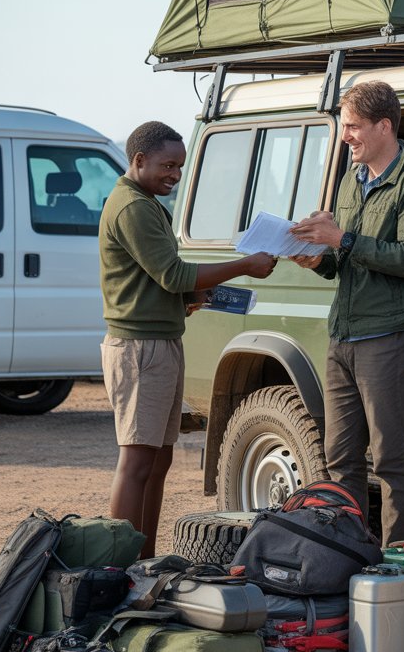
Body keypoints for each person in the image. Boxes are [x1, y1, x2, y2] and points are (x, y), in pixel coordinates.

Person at [100, 121, 276, 559]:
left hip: (159, 341)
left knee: (157, 461)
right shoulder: (133, 207)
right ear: (139, 161)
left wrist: (192, 298)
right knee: (138, 461)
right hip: (140, 349)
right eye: (167, 165)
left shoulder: (145, 202)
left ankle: (144, 561)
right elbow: (173, 273)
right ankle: (118, 568)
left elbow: (159, 280)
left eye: (180, 166)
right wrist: (243, 265)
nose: (175, 175)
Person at [290, 80, 404, 546]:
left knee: (392, 460)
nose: (345, 137)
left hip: (391, 337)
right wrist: (318, 258)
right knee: (340, 460)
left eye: (353, 127)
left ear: (384, 126)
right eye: (344, 127)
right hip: (344, 337)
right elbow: (344, 262)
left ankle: (399, 569)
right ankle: (347, 559)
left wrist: (342, 240)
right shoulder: (350, 182)